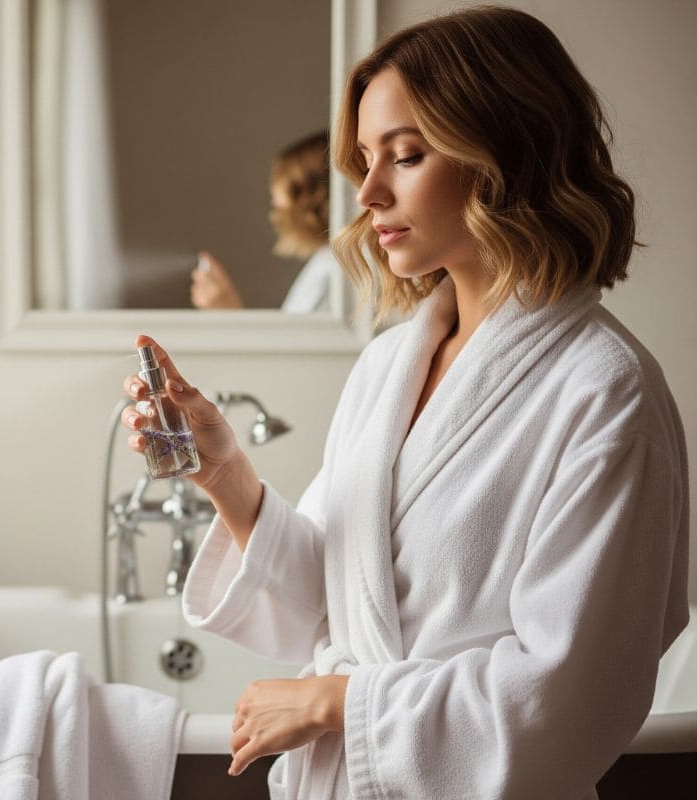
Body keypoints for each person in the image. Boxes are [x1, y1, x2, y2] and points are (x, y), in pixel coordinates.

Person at [122, 6, 688, 798]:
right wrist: (226, 477)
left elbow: (572, 696)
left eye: (408, 155)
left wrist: (339, 701)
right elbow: (340, 596)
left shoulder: (605, 390)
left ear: (505, 151)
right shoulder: (391, 363)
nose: (370, 192)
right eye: (364, 160)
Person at [190, 131, 337, 313]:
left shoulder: (334, 271)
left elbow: (296, 341)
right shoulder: (326, 262)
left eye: (288, 193)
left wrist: (229, 314)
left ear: (315, 200)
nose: (275, 205)